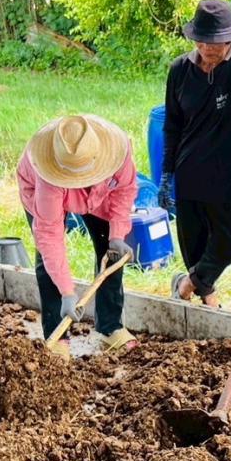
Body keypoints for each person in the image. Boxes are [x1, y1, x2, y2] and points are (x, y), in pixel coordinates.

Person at [162, 0, 231, 309]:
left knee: (226, 246)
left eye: (214, 41)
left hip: (229, 174)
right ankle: (209, 301)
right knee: (194, 245)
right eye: (201, 40)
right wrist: (167, 173)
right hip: (189, 171)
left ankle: (186, 285)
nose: (206, 48)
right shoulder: (180, 70)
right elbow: (172, 123)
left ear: (230, 39)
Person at [17, 114, 138, 355]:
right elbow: (50, 237)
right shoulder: (48, 176)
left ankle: (110, 327)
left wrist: (117, 234)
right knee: (47, 260)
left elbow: (124, 192)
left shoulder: (116, 154)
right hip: (43, 193)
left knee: (111, 252)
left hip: (101, 196)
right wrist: (67, 292)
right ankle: (57, 336)